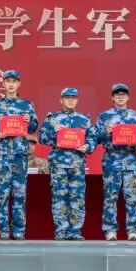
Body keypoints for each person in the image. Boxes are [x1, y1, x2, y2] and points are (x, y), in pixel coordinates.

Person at [0, 69, 38, 240]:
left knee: (20, 193)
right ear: (3, 83)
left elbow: (33, 127)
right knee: (2, 193)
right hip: (3, 154)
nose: (11, 84)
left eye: (14, 81)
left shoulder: (27, 105)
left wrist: (30, 121)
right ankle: (4, 231)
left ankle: (19, 230)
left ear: (18, 83)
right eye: (8, 81)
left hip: (20, 154)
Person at [38, 87, 96, 241]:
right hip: (58, 164)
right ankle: (61, 230)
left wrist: (88, 146)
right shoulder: (53, 118)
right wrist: (54, 132)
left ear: (77, 100)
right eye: (67, 97)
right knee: (59, 197)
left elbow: (93, 138)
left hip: (77, 164)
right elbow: (41, 138)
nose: (71, 100)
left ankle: (75, 231)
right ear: (61, 100)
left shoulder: (84, 120)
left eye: (74, 98)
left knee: (77, 197)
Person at [94, 83, 136, 241]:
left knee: (133, 197)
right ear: (112, 97)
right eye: (117, 94)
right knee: (110, 197)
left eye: (123, 94)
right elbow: (95, 138)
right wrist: (106, 131)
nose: (120, 96)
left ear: (128, 97)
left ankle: (133, 229)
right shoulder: (104, 116)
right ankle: (110, 230)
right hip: (112, 161)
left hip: (131, 161)